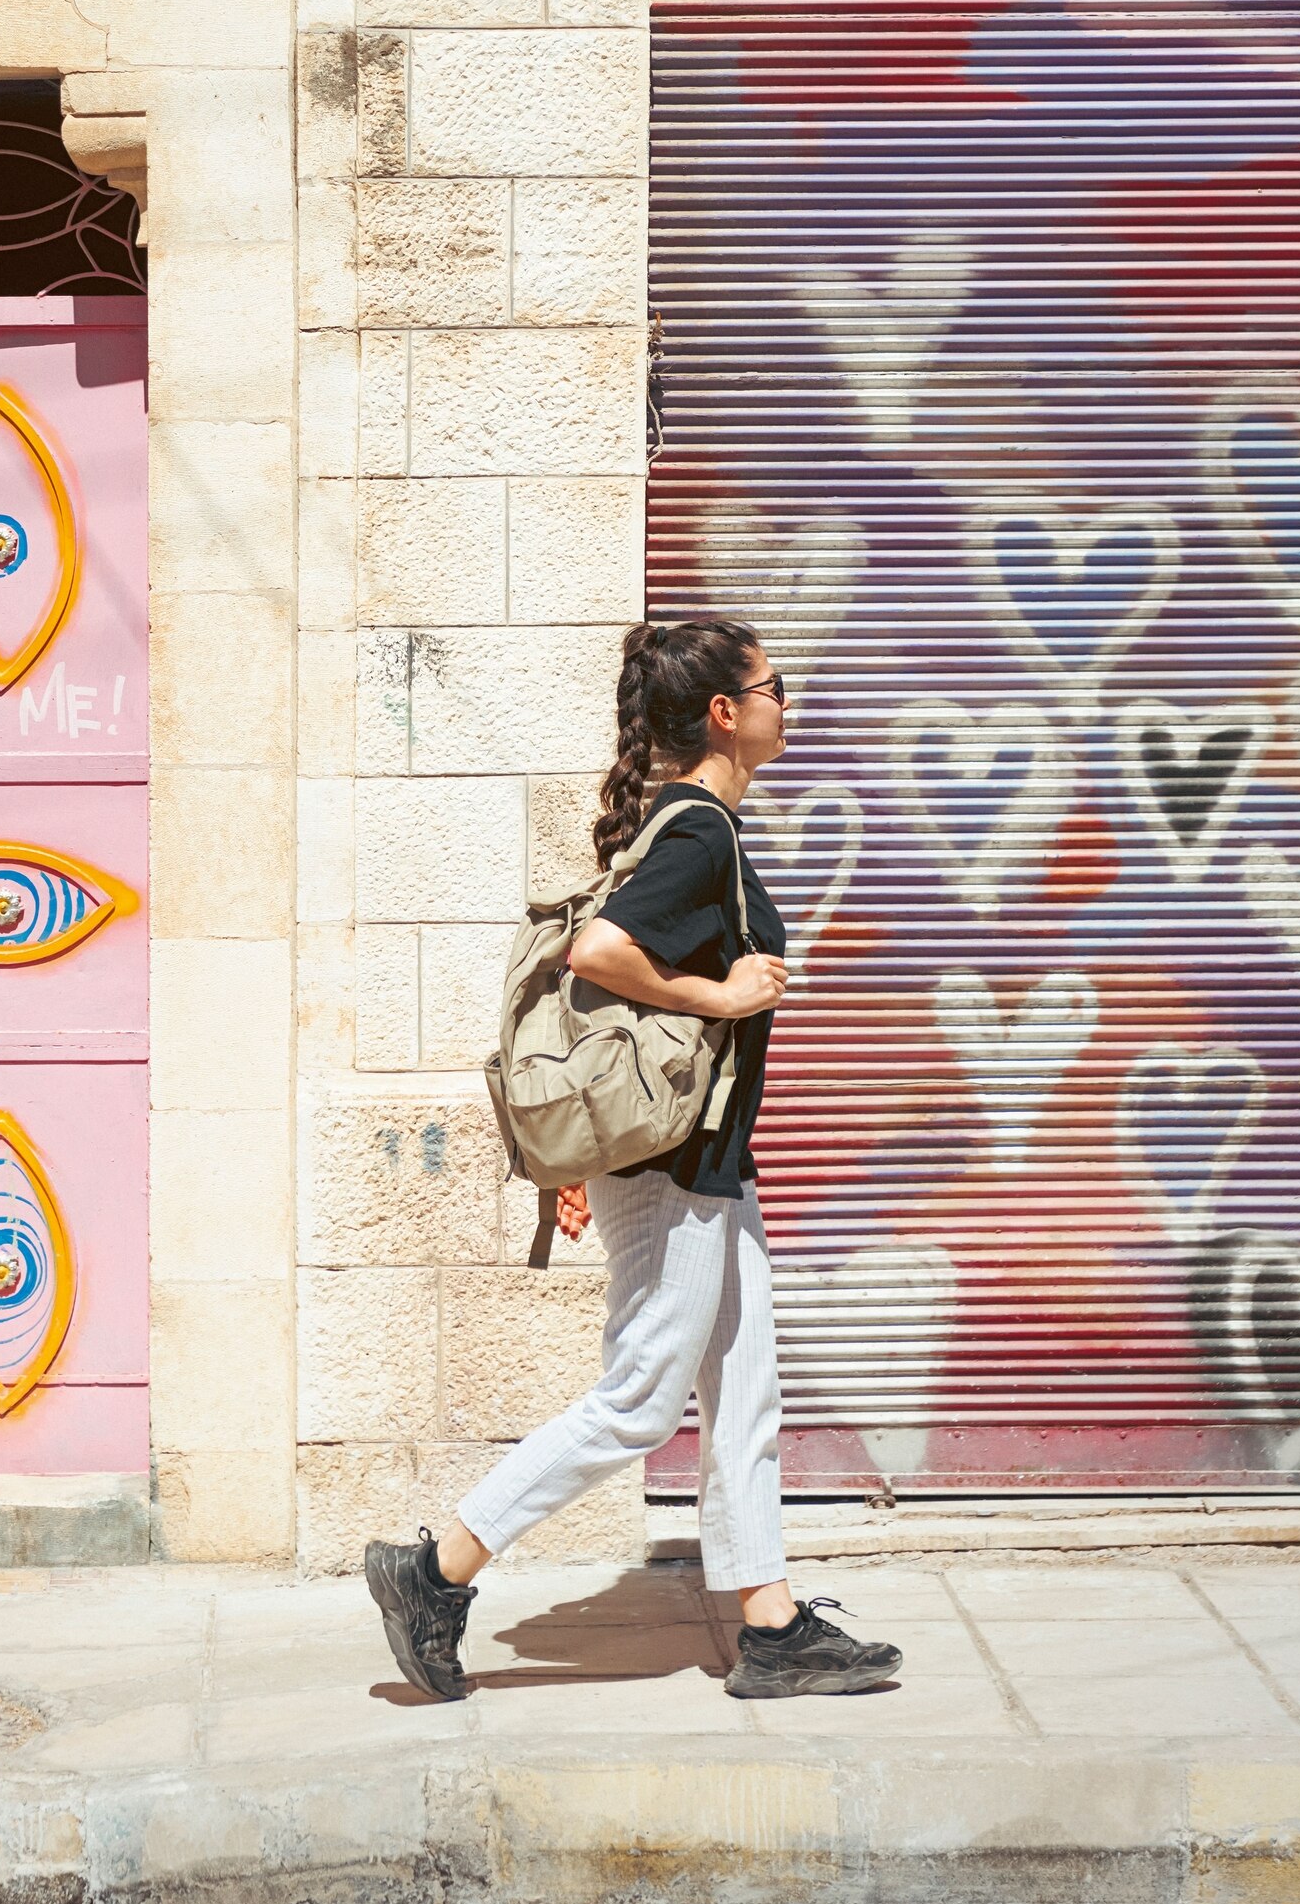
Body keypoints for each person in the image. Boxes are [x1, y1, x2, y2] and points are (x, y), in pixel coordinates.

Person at [363, 617, 902, 1705]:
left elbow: (600, 1005)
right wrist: (720, 993)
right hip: (673, 1176)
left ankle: (771, 1625)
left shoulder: (688, 825)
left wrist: (582, 1159)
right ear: (724, 714)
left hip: (704, 1167)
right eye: (773, 687)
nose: (784, 704)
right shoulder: (697, 832)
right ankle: (435, 1572)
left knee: (744, 1392)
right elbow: (596, 954)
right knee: (640, 1402)